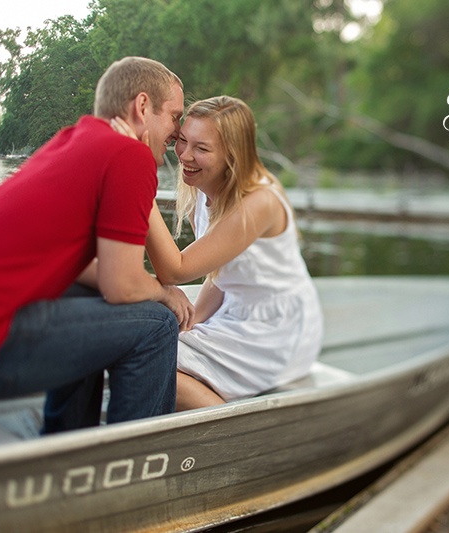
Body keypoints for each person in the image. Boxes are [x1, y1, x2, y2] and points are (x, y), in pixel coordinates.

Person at [0, 56, 194, 433]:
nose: (177, 131)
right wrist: (164, 293)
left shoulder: (74, 140)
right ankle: (133, 463)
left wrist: (138, 287)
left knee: (96, 300)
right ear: (142, 107)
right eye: (175, 116)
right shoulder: (129, 156)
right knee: (156, 325)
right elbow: (123, 284)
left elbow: (90, 272)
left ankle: (67, 438)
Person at [113, 95, 323, 411]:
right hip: (235, 312)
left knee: (151, 358)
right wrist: (193, 320)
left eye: (202, 148)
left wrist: (135, 171)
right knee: (145, 341)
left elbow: (176, 270)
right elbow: (218, 273)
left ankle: (233, 429)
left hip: (278, 330)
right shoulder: (205, 187)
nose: (184, 155)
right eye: (182, 141)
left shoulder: (259, 202)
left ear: (232, 156)